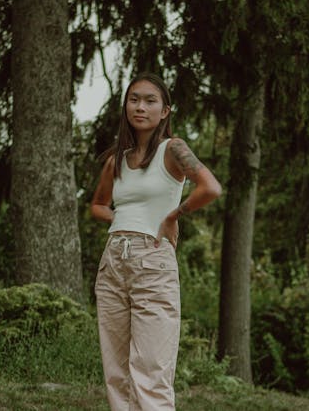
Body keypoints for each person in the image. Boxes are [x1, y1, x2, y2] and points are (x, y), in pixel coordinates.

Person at [90, 72, 222, 410]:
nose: (140, 106)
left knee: (151, 372)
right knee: (117, 375)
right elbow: (98, 205)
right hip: (113, 263)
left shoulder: (173, 149)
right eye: (134, 99)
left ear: (165, 111)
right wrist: (120, 219)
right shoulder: (115, 160)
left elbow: (211, 188)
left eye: (150, 100)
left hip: (153, 261)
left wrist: (173, 215)